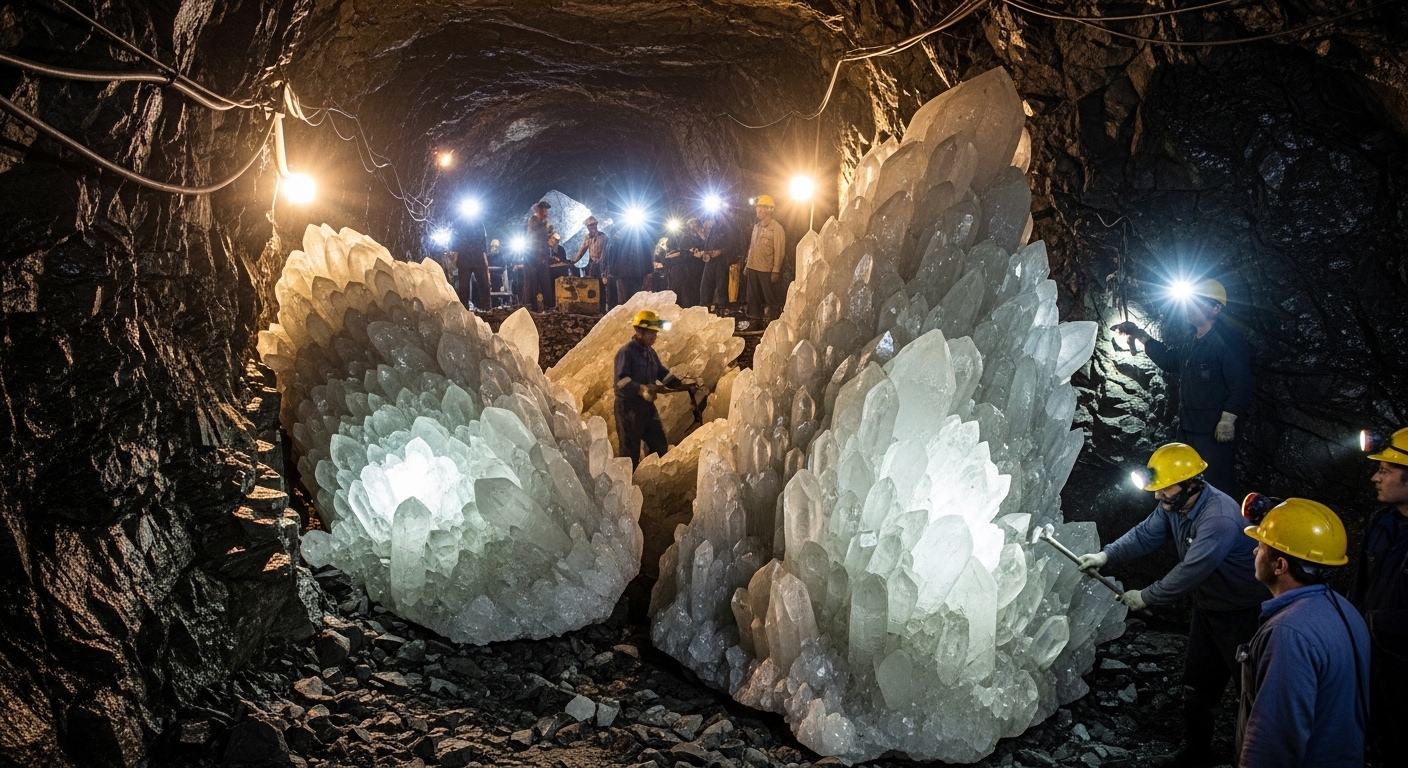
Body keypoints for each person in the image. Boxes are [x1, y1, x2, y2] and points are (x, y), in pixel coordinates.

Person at [1076, 443, 1268, 767]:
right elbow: (1144, 535)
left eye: (1163, 488)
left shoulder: (1218, 517)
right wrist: (1105, 555)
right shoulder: (1175, 506)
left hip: (1243, 613)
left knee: (1254, 690)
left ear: (1191, 483)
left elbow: (1191, 571)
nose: (1156, 496)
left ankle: (1256, 758)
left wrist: (1146, 596)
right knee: (1197, 685)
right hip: (1208, 610)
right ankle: (1195, 752)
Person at [1237, 498, 1370, 767]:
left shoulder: (1289, 633)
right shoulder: (1343, 610)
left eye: (1261, 547)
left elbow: (1273, 740)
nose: (1254, 553)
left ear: (1280, 565)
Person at [1113, 279, 1252, 496]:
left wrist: (1228, 419)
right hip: (1188, 428)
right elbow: (1169, 360)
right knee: (1184, 483)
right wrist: (1140, 334)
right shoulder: (1192, 341)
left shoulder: (1227, 342)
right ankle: (1187, 526)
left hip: (1213, 432)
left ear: (1215, 309)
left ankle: (1222, 527)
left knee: (1215, 486)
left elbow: (1241, 383)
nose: (1189, 308)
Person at [1350, 427, 1408, 765]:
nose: (1375, 477)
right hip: (1372, 658)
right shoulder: (1381, 521)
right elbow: (1360, 587)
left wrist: (1378, 622)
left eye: (1385, 470)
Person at [614, 310, 682, 468]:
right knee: (629, 453)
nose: (654, 337)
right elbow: (621, 381)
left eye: (655, 333)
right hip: (628, 409)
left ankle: (653, 481)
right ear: (639, 331)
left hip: (647, 408)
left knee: (659, 445)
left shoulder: (650, 353)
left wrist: (678, 384)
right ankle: (628, 486)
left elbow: (660, 372)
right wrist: (641, 389)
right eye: (651, 333)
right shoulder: (626, 352)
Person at [741, 194, 786, 331]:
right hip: (753, 267)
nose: (757, 211)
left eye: (760, 208)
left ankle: (774, 322)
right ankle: (755, 320)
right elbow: (752, 247)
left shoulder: (776, 228)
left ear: (769, 210)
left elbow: (779, 250)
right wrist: (747, 265)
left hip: (767, 269)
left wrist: (776, 270)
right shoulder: (756, 227)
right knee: (752, 296)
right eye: (757, 208)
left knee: (770, 296)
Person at [604, 220, 652, 307]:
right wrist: (612, 269)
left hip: (637, 271)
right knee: (624, 298)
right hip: (623, 271)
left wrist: (649, 270)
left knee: (636, 296)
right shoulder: (617, 239)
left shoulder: (641, 236)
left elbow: (647, 252)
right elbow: (612, 254)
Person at [521, 200, 556, 311]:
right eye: (543, 210)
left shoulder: (547, 225)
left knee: (545, 282)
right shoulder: (533, 220)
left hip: (543, 257)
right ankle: (530, 307)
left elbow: (547, 240)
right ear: (539, 210)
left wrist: (552, 240)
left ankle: (548, 306)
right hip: (531, 257)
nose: (545, 212)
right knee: (531, 282)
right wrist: (547, 229)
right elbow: (535, 233)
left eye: (546, 210)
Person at [696, 211, 734, 312]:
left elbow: (733, 246)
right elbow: (709, 242)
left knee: (721, 287)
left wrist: (721, 251)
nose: (717, 216)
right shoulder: (714, 228)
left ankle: (722, 310)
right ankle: (704, 308)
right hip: (710, 260)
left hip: (722, 261)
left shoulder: (729, 229)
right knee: (705, 286)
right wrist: (705, 252)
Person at [574, 215, 610, 311]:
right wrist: (573, 261)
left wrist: (604, 269)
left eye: (591, 226)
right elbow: (582, 250)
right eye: (589, 227)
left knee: (602, 288)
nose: (590, 228)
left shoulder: (603, 237)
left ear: (595, 225)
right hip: (593, 265)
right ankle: (593, 307)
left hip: (602, 265)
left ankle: (602, 309)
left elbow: (605, 253)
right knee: (592, 286)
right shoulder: (588, 238)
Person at [455, 227, 491, 310]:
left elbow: (483, 240)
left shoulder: (478, 224)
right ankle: (464, 308)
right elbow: (456, 239)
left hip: (476, 257)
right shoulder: (461, 224)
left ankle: (486, 307)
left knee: (483, 283)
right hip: (465, 257)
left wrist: (484, 254)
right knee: (463, 286)